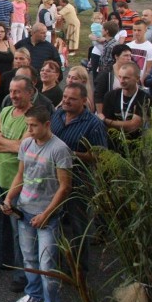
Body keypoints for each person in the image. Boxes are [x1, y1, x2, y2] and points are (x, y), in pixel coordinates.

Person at [3, 106, 73, 302]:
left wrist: (47, 214)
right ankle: (34, 296)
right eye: (27, 125)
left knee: (47, 263)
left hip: (46, 214)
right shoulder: (26, 144)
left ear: (47, 125)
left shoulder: (59, 149)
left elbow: (65, 187)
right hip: (25, 209)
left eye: (33, 126)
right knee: (29, 258)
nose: (29, 130)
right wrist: (9, 198)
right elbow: (21, 174)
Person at [0, 76, 33, 291]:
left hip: (18, 180)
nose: (12, 95)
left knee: (18, 228)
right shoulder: (4, 112)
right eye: (11, 91)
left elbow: (23, 148)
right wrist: (9, 144)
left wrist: (2, 141)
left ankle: (22, 273)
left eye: (18, 91)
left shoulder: (33, 117)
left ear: (30, 93)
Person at [51, 82, 107, 276]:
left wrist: (72, 154)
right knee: (54, 221)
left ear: (84, 101)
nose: (66, 101)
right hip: (53, 178)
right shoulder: (57, 115)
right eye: (65, 97)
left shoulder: (93, 124)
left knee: (78, 225)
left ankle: (78, 269)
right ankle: (55, 262)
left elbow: (100, 155)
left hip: (78, 179)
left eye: (72, 99)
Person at [98, 62, 149, 153]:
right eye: (120, 77)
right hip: (113, 147)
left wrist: (106, 120)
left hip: (136, 149)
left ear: (137, 78)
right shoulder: (110, 96)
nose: (121, 81)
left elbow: (133, 126)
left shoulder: (145, 98)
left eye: (126, 78)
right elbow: (106, 127)